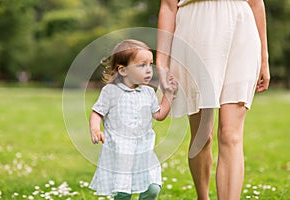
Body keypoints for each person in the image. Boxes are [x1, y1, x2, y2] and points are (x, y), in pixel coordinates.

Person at [156, 0, 270, 199]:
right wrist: (161, 62)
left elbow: (256, 3)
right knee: (202, 136)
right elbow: (168, 6)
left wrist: (264, 58)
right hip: (195, 29)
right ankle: (203, 197)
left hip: (241, 29)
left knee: (230, 135)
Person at [89, 39, 177, 200]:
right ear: (122, 70)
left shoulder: (148, 92)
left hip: (144, 151)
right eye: (142, 65)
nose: (149, 70)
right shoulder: (111, 91)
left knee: (153, 188)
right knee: (123, 192)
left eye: (150, 64)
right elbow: (97, 113)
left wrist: (169, 95)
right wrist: (95, 129)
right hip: (120, 152)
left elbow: (159, 115)